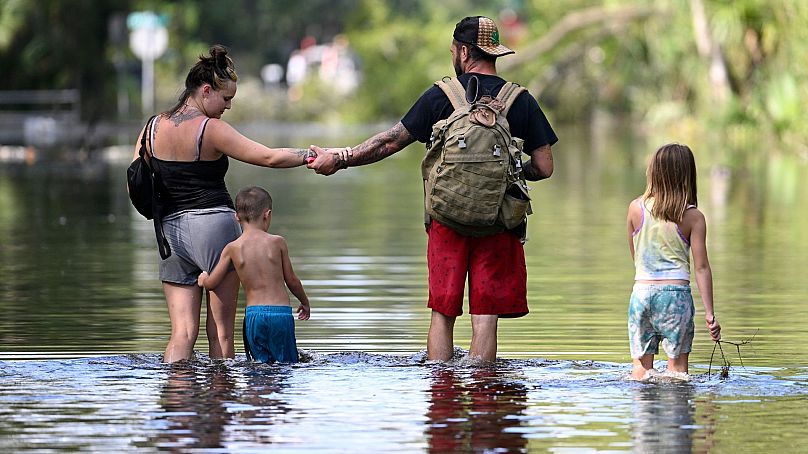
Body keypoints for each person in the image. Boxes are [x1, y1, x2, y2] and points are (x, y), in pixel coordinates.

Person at [307, 16, 558, 362]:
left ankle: (442, 396)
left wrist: (341, 158)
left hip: (446, 222)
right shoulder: (520, 100)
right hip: (499, 222)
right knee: (485, 321)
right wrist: (510, 172)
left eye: (454, 50)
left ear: (464, 52)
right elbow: (544, 167)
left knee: (443, 314)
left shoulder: (442, 96)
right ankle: (484, 393)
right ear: (493, 53)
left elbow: (389, 142)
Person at [131, 45, 318, 363]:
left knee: (181, 334)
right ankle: (220, 409)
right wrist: (311, 155)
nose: (228, 107)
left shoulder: (151, 128)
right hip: (214, 229)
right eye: (226, 98)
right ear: (206, 91)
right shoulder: (210, 129)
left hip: (169, 236)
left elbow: (134, 182)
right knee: (220, 333)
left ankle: (178, 409)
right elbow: (268, 157)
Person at [626, 143, 722, 379]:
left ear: (653, 172)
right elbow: (701, 267)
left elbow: (636, 257)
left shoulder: (635, 208)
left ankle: (644, 413)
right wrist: (710, 314)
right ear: (687, 175)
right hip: (675, 296)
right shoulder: (693, 217)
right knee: (677, 374)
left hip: (641, 294)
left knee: (641, 372)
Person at [198, 186, 310, 363]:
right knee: (286, 365)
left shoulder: (232, 248)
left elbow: (212, 283)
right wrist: (304, 301)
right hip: (280, 315)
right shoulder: (277, 242)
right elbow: (292, 280)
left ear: (236, 217)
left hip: (254, 316)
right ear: (267, 214)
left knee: (258, 369)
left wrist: (203, 279)